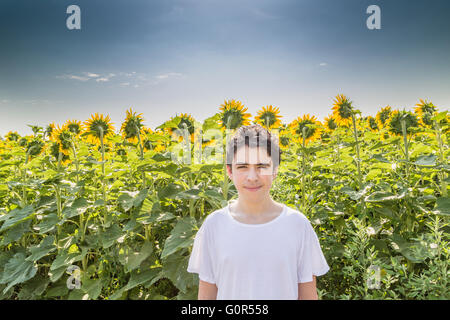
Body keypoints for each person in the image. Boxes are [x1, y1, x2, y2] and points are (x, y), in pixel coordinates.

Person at [187, 124, 330, 300]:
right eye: (242, 167)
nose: (252, 177)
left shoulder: (298, 225)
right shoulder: (214, 226)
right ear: (229, 171)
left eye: (262, 166)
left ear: (275, 170)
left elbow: (308, 296)